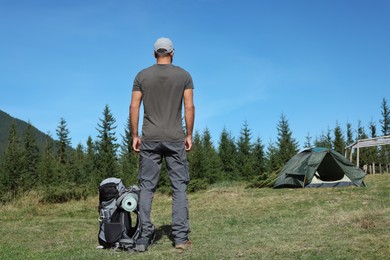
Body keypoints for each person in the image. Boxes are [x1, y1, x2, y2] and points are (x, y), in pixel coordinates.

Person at [129, 37, 195, 251]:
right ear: (172, 53)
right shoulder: (184, 76)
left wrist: (135, 135)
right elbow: (189, 107)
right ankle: (180, 239)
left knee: (147, 187)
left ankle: (144, 236)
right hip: (175, 137)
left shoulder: (142, 76)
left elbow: (134, 106)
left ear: (154, 53)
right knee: (179, 188)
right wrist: (189, 135)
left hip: (149, 138)